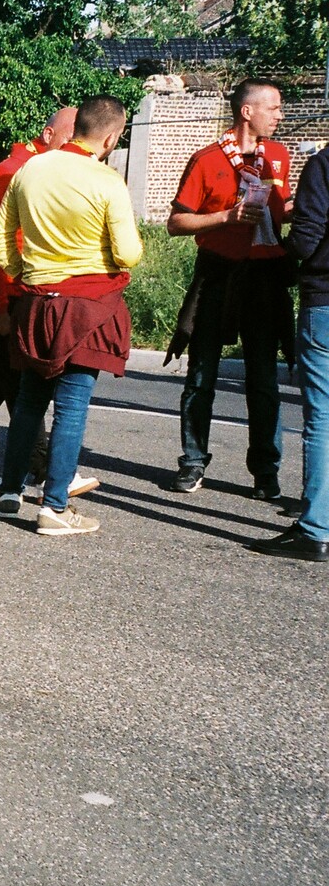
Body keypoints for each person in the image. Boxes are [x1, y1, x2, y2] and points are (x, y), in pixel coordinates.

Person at [0, 95, 142, 536]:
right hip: (89, 306)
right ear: (111, 137)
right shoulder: (107, 180)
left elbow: (1, 240)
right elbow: (128, 252)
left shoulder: (32, 168)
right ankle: (54, 508)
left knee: (30, 402)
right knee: (71, 407)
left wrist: (27, 274)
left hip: (37, 301)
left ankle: (10, 492)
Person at [165, 79, 293, 500]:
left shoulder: (278, 156)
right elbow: (177, 223)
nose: (280, 115)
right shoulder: (207, 159)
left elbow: (281, 211)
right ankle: (193, 461)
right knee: (202, 374)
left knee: (263, 380)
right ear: (247, 112)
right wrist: (225, 217)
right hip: (218, 274)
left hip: (264, 278)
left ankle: (265, 469)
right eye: (273, 107)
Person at [0, 107, 77, 499]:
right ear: (48, 133)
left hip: (6, 295)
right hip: (1, 297)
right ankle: (44, 472)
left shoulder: (33, 170)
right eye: (72, 138)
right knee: (24, 386)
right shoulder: (13, 173)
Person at [259, 141, 329, 559]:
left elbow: (307, 237)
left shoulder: (324, 164)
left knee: (322, 417)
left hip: (326, 300)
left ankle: (316, 527)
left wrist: (277, 263)